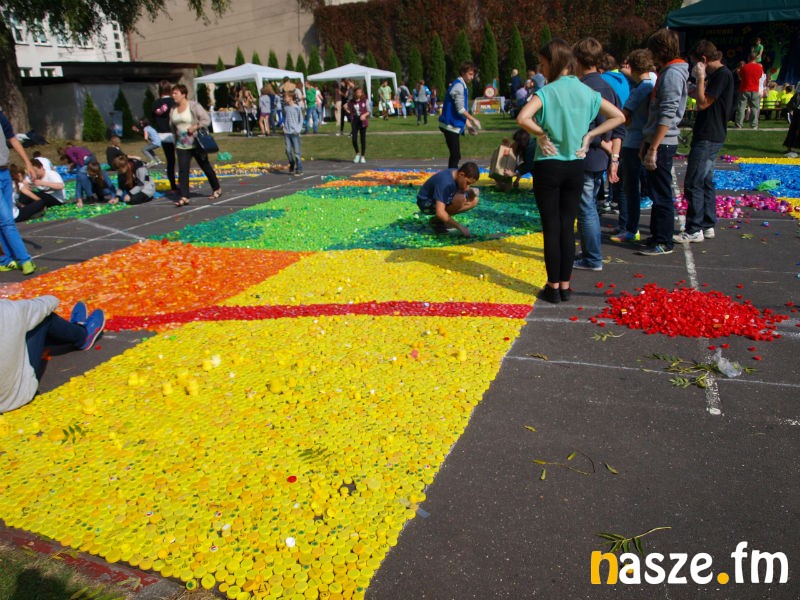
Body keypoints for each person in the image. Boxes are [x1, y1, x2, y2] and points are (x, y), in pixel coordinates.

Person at [517, 38, 624, 303]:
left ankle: (552, 286)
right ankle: (565, 285)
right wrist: (590, 136)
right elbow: (619, 117)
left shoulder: (546, 92)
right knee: (567, 225)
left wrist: (540, 133)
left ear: (553, 63)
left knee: (551, 227)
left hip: (548, 165)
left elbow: (522, 118)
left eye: (543, 64)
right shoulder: (586, 92)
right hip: (575, 165)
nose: (541, 70)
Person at [674, 40, 736, 245]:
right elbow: (704, 97)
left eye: (695, 63)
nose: (694, 67)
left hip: (709, 134)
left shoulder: (722, 75)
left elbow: (703, 103)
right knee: (706, 180)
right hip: (711, 132)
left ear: (703, 60)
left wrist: (700, 78)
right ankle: (708, 223)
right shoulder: (720, 76)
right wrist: (695, 87)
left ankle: (694, 228)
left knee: (694, 182)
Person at [572, 37, 625, 272]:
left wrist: (602, 144)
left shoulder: (584, 88)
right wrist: (614, 157)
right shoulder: (608, 86)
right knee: (589, 205)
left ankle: (592, 257)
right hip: (600, 157)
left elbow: (585, 127)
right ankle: (588, 252)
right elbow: (620, 126)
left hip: (587, 154)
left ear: (577, 60)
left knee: (586, 208)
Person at [0, 297, 105, 414]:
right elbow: (48, 303)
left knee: (22, 324)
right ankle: (82, 335)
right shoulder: (8, 310)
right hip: (15, 397)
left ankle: (67, 332)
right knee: (43, 318)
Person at [637, 28, 688, 257]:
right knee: (656, 190)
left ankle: (664, 240)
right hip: (656, 139)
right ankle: (657, 234)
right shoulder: (668, 71)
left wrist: (654, 147)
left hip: (663, 141)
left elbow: (667, 113)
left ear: (660, 50)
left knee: (661, 192)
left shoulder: (672, 74)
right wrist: (647, 141)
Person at [611, 49, 655, 244]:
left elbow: (624, 116)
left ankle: (631, 228)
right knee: (633, 185)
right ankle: (630, 226)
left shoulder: (640, 89)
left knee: (629, 187)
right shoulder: (651, 85)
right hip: (641, 138)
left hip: (633, 140)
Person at [169, 84, 222, 207]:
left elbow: (206, 119)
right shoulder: (173, 109)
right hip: (181, 144)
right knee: (183, 170)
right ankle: (184, 196)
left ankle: (216, 188)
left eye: (176, 93)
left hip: (196, 143)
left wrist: (195, 127)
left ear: (183, 94)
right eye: (172, 93)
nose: (173, 96)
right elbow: (172, 126)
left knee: (205, 166)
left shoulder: (193, 106)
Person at [416, 162, 480, 236]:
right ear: (461, 174)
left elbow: (464, 191)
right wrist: (459, 227)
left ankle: (436, 221)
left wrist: (471, 193)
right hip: (425, 203)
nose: (468, 186)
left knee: (474, 200)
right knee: (460, 199)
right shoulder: (445, 182)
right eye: (467, 183)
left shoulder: (457, 174)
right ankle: (439, 222)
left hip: (435, 199)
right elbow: (440, 212)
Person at [439, 62, 482, 169]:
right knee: (455, 155)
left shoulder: (461, 85)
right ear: (463, 73)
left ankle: (451, 174)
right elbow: (460, 110)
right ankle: (451, 176)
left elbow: (461, 110)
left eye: (473, 74)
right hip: (449, 125)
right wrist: (473, 119)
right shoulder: (459, 86)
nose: (472, 77)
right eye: (470, 74)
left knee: (455, 155)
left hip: (451, 125)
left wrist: (469, 126)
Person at [15, 158, 65, 222]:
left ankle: (23, 210)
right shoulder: (32, 176)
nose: (34, 173)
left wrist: (43, 183)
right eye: (32, 172)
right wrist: (25, 184)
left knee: (33, 195)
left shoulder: (51, 174)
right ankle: (24, 209)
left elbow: (61, 186)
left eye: (35, 171)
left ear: (41, 167)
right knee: (26, 193)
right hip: (44, 197)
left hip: (56, 198)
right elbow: (23, 186)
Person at [152, 80, 177, 193]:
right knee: (183, 159)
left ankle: (173, 186)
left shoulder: (155, 104)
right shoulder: (173, 102)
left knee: (170, 160)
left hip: (162, 134)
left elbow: (153, 118)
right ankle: (183, 183)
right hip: (174, 133)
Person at [734, 53, 763, 129]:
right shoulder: (759, 67)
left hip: (744, 88)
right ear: (756, 58)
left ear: (748, 58)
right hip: (755, 89)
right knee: (754, 108)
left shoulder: (744, 67)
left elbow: (740, 77)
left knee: (741, 107)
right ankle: (754, 125)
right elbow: (760, 76)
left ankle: (739, 124)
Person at [283, 91, 303, 176]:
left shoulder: (297, 108)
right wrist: (284, 127)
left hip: (295, 132)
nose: (285, 99)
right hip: (287, 132)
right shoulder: (286, 108)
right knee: (288, 150)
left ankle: (299, 169)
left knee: (297, 152)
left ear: (290, 98)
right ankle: (292, 163)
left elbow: (300, 120)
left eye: (286, 97)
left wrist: (297, 130)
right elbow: (285, 118)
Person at [347, 86, 369, 164]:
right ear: (355, 93)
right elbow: (349, 111)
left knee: (363, 139)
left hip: (363, 121)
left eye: (360, 92)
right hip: (355, 121)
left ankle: (363, 156)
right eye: (357, 92)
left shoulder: (365, 100)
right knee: (354, 139)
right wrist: (346, 109)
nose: (359, 94)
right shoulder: (351, 102)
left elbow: (369, 111)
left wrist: (364, 115)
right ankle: (357, 153)